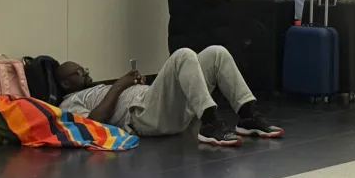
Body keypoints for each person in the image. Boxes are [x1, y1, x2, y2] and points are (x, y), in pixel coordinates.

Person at [57, 47, 283, 146]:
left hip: (155, 104)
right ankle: (210, 122)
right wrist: (119, 85)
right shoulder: (70, 102)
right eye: (79, 72)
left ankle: (246, 115)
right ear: (65, 83)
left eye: (85, 69)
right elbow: (91, 124)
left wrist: (129, 85)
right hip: (143, 118)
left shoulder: (97, 89)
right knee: (183, 55)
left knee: (216, 53)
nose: (86, 73)